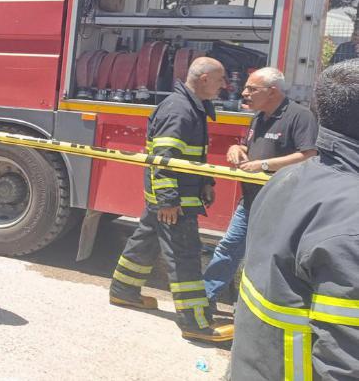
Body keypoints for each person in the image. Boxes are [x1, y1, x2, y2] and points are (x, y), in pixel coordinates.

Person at [230, 59, 359, 379]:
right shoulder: (351, 219)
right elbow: (346, 361)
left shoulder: (284, 181)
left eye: (252, 88)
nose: (244, 93)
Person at [108, 57, 234, 343]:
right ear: (204, 79)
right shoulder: (180, 109)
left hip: (175, 195)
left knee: (146, 240)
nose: (224, 85)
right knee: (184, 256)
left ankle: (123, 290)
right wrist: (168, 201)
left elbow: (192, 155)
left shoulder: (190, 106)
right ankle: (195, 323)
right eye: (220, 79)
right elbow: (164, 159)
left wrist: (206, 181)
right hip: (175, 200)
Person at [202, 68, 317, 303]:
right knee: (228, 248)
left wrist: (264, 165)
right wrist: (237, 148)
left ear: (272, 91)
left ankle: (250, 310)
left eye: (251, 89)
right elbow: (253, 146)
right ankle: (204, 301)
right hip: (251, 201)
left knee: (265, 258)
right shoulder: (259, 117)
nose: (244, 93)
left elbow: (308, 155)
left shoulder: (300, 116)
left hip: (281, 206)